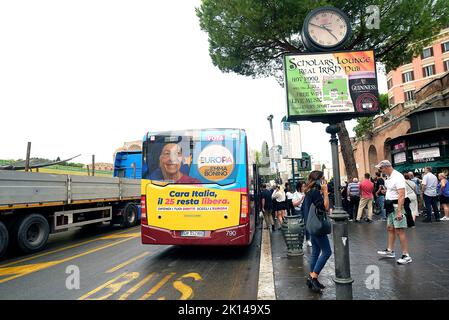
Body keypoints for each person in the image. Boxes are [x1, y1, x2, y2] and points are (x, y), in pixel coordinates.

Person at [376, 160, 412, 265]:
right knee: (390, 228)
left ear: (386, 167)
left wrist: (399, 211)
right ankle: (390, 251)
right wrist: (386, 192)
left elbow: (401, 194)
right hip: (391, 206)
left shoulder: (398, 176)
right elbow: (394, 191)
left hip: (397, 207)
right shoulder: (390, 177)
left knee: (400, 230)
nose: (380, 170)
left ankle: (406, 255)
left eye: (381, 168)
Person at [302, 171, 332, 293]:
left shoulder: (309, 191)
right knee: (327, 252)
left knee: (315, 252)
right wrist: (325, 192)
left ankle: (313, 279)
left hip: (311, 225)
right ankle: (313, 276)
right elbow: (325, 207)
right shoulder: (315, 192)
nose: (324, 180)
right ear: (318, 179)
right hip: (318, 226)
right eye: (323, 178)